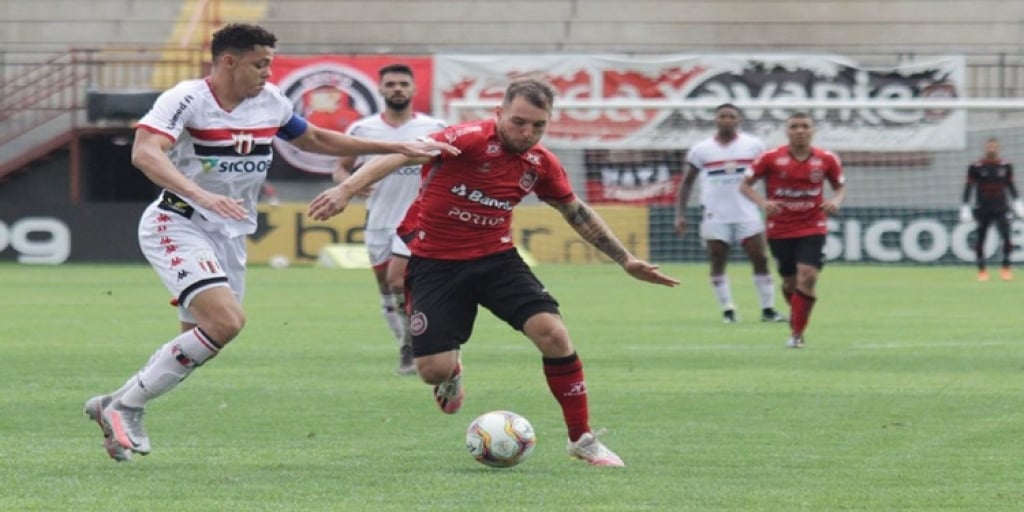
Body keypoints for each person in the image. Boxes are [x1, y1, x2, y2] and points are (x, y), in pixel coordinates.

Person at [83, 23, 455, 462]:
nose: (267, 72)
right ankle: (128, 407)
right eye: (260, 64)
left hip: (228, 235)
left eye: (270, 64)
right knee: (225, 322)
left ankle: (112, 403)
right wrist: (202, 195)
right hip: (178, 221)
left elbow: (314, 138)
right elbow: (144, 152)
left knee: (204, 337)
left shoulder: (270, 102)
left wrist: (392, 147)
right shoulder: (187, 97)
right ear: (229, 61)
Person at [308, 77, 680, 467]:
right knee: (432, 371)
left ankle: (582, 439)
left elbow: (576, 212)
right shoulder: (466, 139)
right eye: (519, 122)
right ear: (499, 113)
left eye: (538, 125)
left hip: (496, 260)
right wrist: (346, 189)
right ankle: (452, 373)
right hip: (436, 263)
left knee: (553, 334)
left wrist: (626, 260)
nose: (527, 133)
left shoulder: (540, 163)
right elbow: (401, 155)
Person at [334, 64, 446, 375]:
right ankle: (406, 343)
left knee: (400, 280)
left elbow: (450, 166)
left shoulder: (435, 127)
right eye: (391, 84)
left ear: (414, 89)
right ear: (381, 90)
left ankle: (413, 346)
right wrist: (351, 182)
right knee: (386, 288)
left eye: (403, 84)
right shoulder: (362, 130)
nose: (397, 89)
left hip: (418, 220)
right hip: (379, 220)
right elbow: (341, 167)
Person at [739, 112, 846, 349]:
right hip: (780, 228)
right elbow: (745, 185)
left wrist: (836, 201)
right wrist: (763, 203)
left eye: (804, 126)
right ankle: (798, 312)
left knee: (807, 276)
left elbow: (840, 187)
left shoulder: (826, 159)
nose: (799, 130)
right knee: (790, 284)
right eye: (794, 126)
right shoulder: (770, 158)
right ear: (787, 131)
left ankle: (796, 334)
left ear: (812, 130)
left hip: (812, 225)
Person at [674, 103, 785, 324]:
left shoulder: (754, 146)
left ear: (738, 120)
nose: (726, 120)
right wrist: (680, 214)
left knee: (760, 258)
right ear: (715, 120)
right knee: (717, 259)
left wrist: (770, 201)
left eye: (731, 116)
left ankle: (768, 309)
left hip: (747, 211)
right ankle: (727, 310)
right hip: (716, 213)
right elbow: (687, 183)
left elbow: (770, 175)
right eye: (722, 116)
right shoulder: (702, 149)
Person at [959, 137, 1023, 281]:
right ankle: (982, 271)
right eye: (989, 146)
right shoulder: (975, 166)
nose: (991, 148)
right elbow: (968, 188)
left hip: (1001, 208)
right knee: (981, 238)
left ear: (998, 148)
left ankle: (1006, 268)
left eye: (994, 146)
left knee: (1007, 237)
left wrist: (1018, 203)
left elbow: (1011, 186)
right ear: (985, 148)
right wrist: (965, 207)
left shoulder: (1005, 166)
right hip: (982, 208)